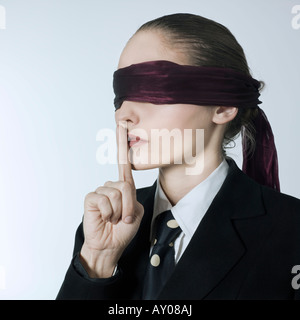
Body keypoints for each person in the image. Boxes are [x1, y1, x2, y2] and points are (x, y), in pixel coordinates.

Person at [57, 13, 300, 300]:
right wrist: (98, 261)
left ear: (222, 106)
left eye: (152, 91)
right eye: (121, 95)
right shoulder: (105, 226)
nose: (123, 114)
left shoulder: (291, 231)